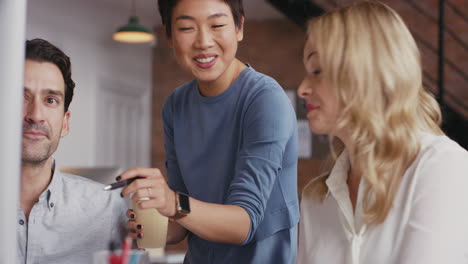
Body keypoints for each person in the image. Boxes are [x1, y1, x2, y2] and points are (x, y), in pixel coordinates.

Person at [118, 0, 299, 263]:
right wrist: (153, 226)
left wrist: (174, 202)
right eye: (186, 28)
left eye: (217, 25)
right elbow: (183, 220)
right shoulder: (176, 105)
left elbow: (243, 223)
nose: (203, 42)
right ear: (169, 35)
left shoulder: (264, 99)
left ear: (239, 27)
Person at [296, 1, 468, 263]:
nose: (302, 89)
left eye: (317, 71)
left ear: (364, 72)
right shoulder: (316, 199)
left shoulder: (441, 166)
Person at [18, 38, 127, 264]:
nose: (35, 115)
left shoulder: (107, 209)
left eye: (50, 100)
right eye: (22, 96)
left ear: (65, 123)